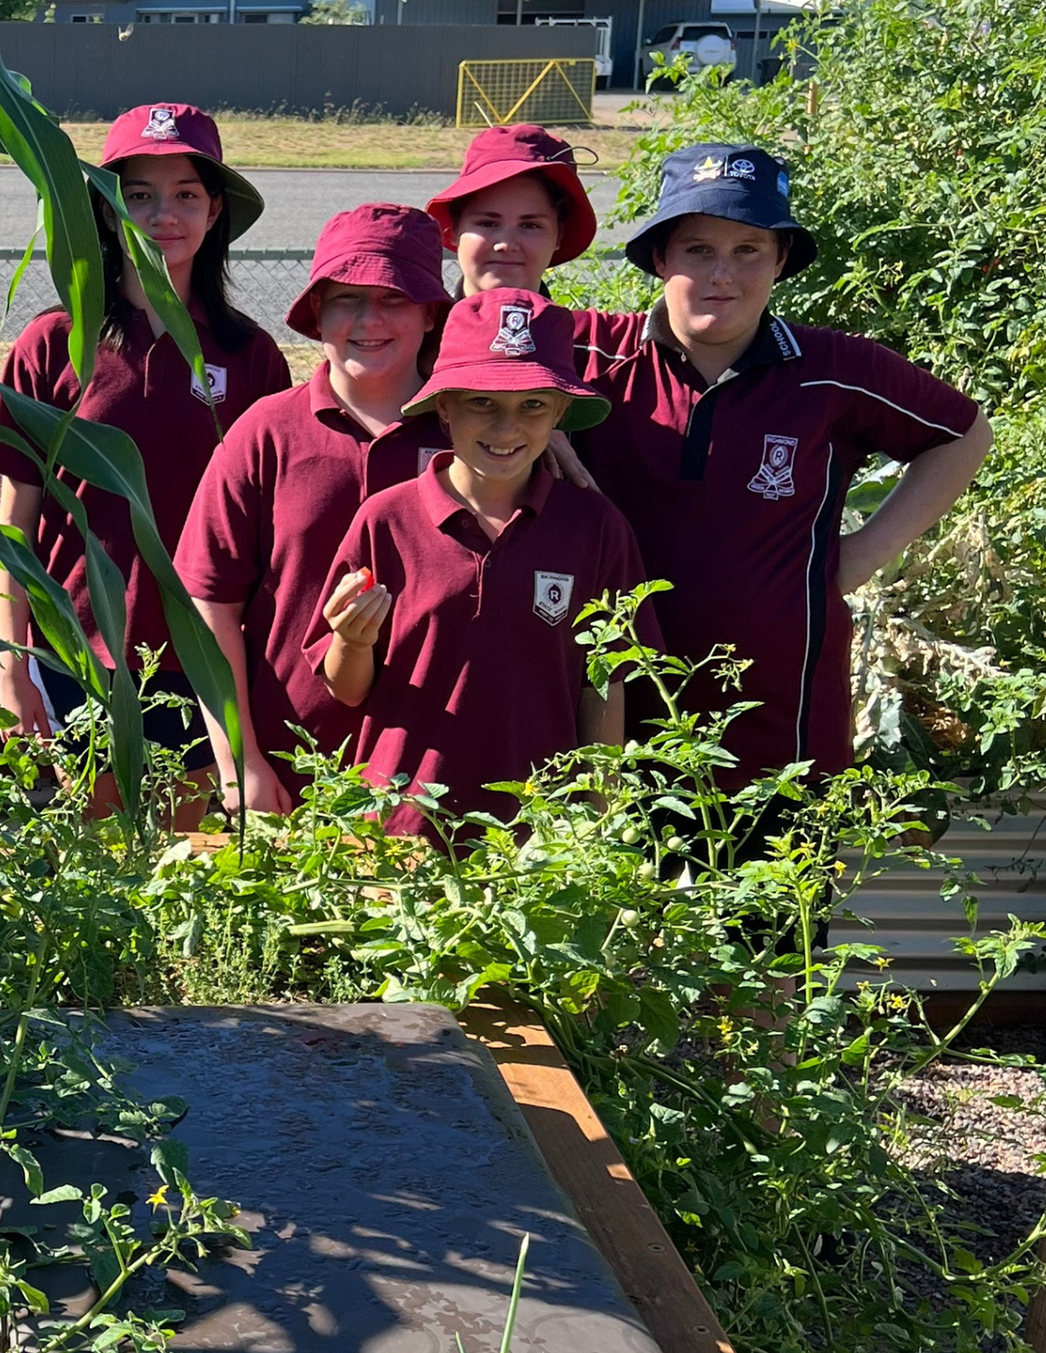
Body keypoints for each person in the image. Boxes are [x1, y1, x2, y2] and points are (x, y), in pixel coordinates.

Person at [573, 141, 994, 780]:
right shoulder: (590, 355)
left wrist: (860, 555)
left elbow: (963, 433)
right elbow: (466, 333)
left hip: (782, 727)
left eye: (749, 251)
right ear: (659, 257)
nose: (724, 274)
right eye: (699, 250)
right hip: (613, 722)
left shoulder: (833, 369)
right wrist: (533, 409)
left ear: (781, 261)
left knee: (784, 878)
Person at [0, 100, 289, 756]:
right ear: (106, 209)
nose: (163, 216)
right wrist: (11, 664)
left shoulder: (251, 355)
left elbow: (275, 528)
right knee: (96, 851)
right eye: (140, 195)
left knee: (186, 852)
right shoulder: (54, 343)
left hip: (209, 657)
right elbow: (15, 524)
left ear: (215, 212)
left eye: (186, 194)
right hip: (77, 653)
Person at [303, 293, 644, 835]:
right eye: (481, 402)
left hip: (540, 835)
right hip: (402, 825)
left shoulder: (595, 527)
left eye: (532, 405)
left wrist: (598, 818)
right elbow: (346, 689)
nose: (507, 427)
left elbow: (604, 683)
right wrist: (352, 639)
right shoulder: (386, 520)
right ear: (444, 408)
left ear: (559, 412)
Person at [177, 205, 449, 813]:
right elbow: (209, 608)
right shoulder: (268, 432)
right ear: (317, 313)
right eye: (346, 298)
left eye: (395, 297)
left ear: (432, 312)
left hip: (434, 775)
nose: (369, 319)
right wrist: (239, 761)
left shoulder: (474, 436)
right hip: (289, 765)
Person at [427, 121, 599, 310]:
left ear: (559, 235)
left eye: (530, 225)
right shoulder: (411, 337)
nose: (506, 245)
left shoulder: (579, 338)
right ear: (454, 228)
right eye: (488, 223)